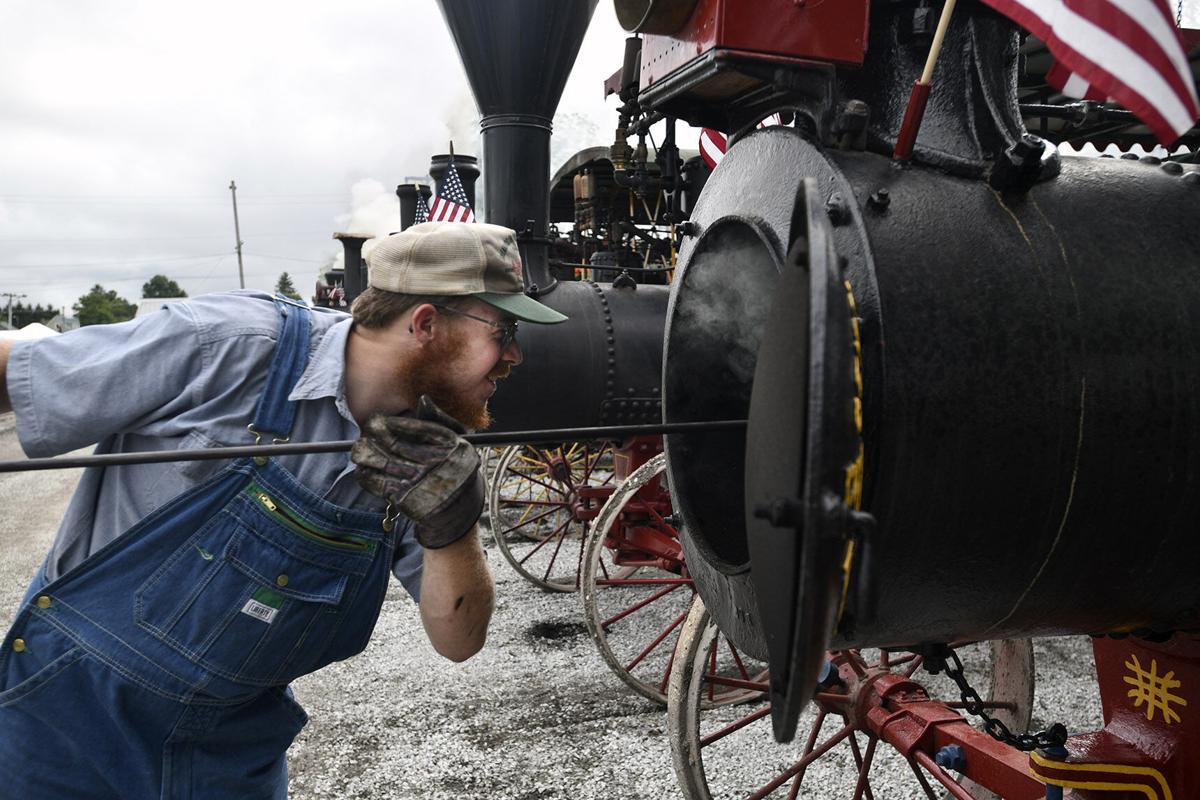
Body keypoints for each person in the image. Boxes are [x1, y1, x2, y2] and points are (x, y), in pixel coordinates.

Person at [0, 221, 567, 798]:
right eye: (504, 329)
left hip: (230, 752)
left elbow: (459, 640)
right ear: (424, 323)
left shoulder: (423, 453)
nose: (514, 355)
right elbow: (17, 371)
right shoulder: (226, 345)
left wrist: (452, 523)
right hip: (71, 715)